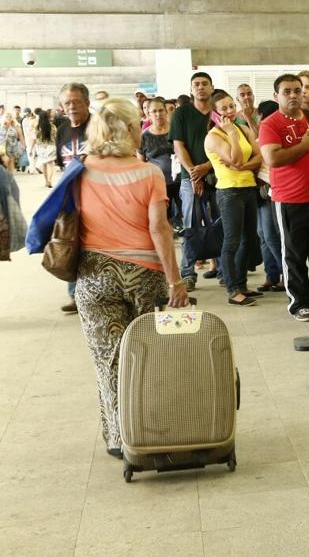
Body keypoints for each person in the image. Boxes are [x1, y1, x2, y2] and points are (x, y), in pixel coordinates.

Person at [74, 97, 189, 459]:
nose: (142, 130)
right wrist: (175, 281)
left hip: (95, 275)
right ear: (126, 129)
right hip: (144, 275)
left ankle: (119, 439)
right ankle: (149, 430)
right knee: (145, 356)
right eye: (138, 124)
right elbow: (159, 229)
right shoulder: (148, 173)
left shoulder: (80, 169)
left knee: (108, 359)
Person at [259, 74, 309, 322]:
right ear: (276, 96)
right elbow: (272, 158)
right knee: (294, 255)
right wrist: (304, 146)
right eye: (287, 91)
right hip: (289, 199)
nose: (293, 95)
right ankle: (299, 304)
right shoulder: (270, 124)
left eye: (297, 90)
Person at [205, 90, 262, 306]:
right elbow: (235, 158)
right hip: (229, 192)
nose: (229, 111)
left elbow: (258, 156)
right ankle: (232, 289)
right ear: (214, 114)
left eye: (231, 106)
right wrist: (230, 133)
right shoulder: (213, 137)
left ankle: (242, 284)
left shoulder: (243, 129)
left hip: (248, 188)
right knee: (232, 241)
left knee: (249, 239)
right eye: (224, 109)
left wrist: (242, 166)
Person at [170, 72, 216, 291]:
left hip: (218, 177)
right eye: (196, 84)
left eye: (205, 84)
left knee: (220, 224)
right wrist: (193, 173)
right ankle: (187, 273)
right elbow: (178, 146)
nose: (200, 87)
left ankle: (225, 270)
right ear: (191, 89)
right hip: (190, 179)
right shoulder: (182, 113)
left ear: (212, 87)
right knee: (190, 226)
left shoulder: (217, 112)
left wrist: (206, 167)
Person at [55, 82, 92, 314]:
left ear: (87, 102)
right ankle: (75, 295)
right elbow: (62, 164)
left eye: (77, 102)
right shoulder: (62, 130)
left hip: (98, 194)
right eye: (67, 103)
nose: (72, 107)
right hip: (71, 196)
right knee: (71, 242)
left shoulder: (99, 126)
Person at [254, 100, 285, 293]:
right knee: (262, 235)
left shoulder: (269, 139)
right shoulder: (260, 137)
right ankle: (271, 275)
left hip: (270, 190)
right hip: (259, 191)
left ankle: (286, 274)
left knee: (270, 235)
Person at [138, 98, 178, 224]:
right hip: (158, 185)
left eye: (161, 110)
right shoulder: (144, 136)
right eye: (154, 111)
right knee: (163, 220)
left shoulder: (177, 130)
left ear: (166, 112)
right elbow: (141, 164)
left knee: (185, 218)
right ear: (148, 114)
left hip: (180, 182)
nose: (158, 114)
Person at [33, 109, 57, 188]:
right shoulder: (52, 126)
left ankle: (46, 181)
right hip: (51, 146)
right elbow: (56, 136)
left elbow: (34, 138)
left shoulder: (37, 127)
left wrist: (32, 148)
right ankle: (50, 181)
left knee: (44, 164)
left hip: (41, 147)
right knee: (50, 164)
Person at [21, 109, 37, 174]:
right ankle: (32, 169)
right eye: (26, 115)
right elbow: (25, 132)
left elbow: (34, 130)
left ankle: (32, 169)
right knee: (30, 155)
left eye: (28, 114)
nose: (27, 116)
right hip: (28, 139)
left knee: (33, 154)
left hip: (35, 138)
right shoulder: (24, 120)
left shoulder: (35, 119)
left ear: (31, 113)